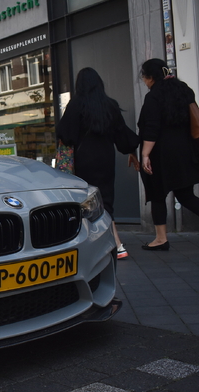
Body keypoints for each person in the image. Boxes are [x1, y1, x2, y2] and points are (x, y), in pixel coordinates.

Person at [57, 67, 140, 259]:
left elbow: (65, 134)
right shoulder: (109, 105)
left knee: (86, 202)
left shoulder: (76, 104)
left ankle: (109, 244)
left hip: (83, 160)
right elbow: (123, 135)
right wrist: (132, 151)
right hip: (105, 159)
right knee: (106, 201)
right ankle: (115, 244)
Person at [138, 58, 199, 250]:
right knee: (186, 195)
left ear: (150, 77)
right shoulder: (183, 90)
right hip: (185, 151)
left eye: (143, 76)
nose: (143, 81)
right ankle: (160, 239)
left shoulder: (154, 96)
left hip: (161, 154)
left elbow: (152, 128)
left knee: (157, 195)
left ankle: (161, 239)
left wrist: (145, 155)